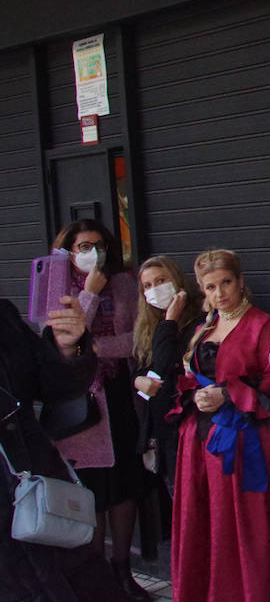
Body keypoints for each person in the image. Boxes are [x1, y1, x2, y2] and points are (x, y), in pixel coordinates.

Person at [167, 249, 270, 602]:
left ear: (240, 282)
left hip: (252, 444)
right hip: (202, 446)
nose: (220, 292)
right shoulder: (201, 330)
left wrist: (228, 394)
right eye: (211, 287)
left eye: (226, 282)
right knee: (215, 529)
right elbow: (190, 381)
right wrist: (195, 397)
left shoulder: (265, 325)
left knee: (256, 530)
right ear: (202, 291)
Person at [1, 295, 130, 602]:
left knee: (82, 582)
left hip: (41, 496)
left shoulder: (3, 315)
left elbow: (53, 387)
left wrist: (66, 349)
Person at [46, 219, 149, 600]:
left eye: (99, 244)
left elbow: (137, 339)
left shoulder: (123, 282)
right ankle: (96, 579)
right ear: (68, 252)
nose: (92, 252)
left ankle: (123, 570)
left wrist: (96, 348)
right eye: (83, 245)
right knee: (90, 492)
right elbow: (60, 344)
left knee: (124, 486)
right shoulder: (56, 288)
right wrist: (88, 295)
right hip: (79, 402)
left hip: (120, 394)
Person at [131, 256, 203, 494]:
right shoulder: (149, 326)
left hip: (190, 429)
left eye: (161, 280)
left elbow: (162, 368)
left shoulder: (199, 322)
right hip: (163, 435)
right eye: (148, 286)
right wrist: (137, 381)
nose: (155, 290)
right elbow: (147, 372)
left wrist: (171, 321)